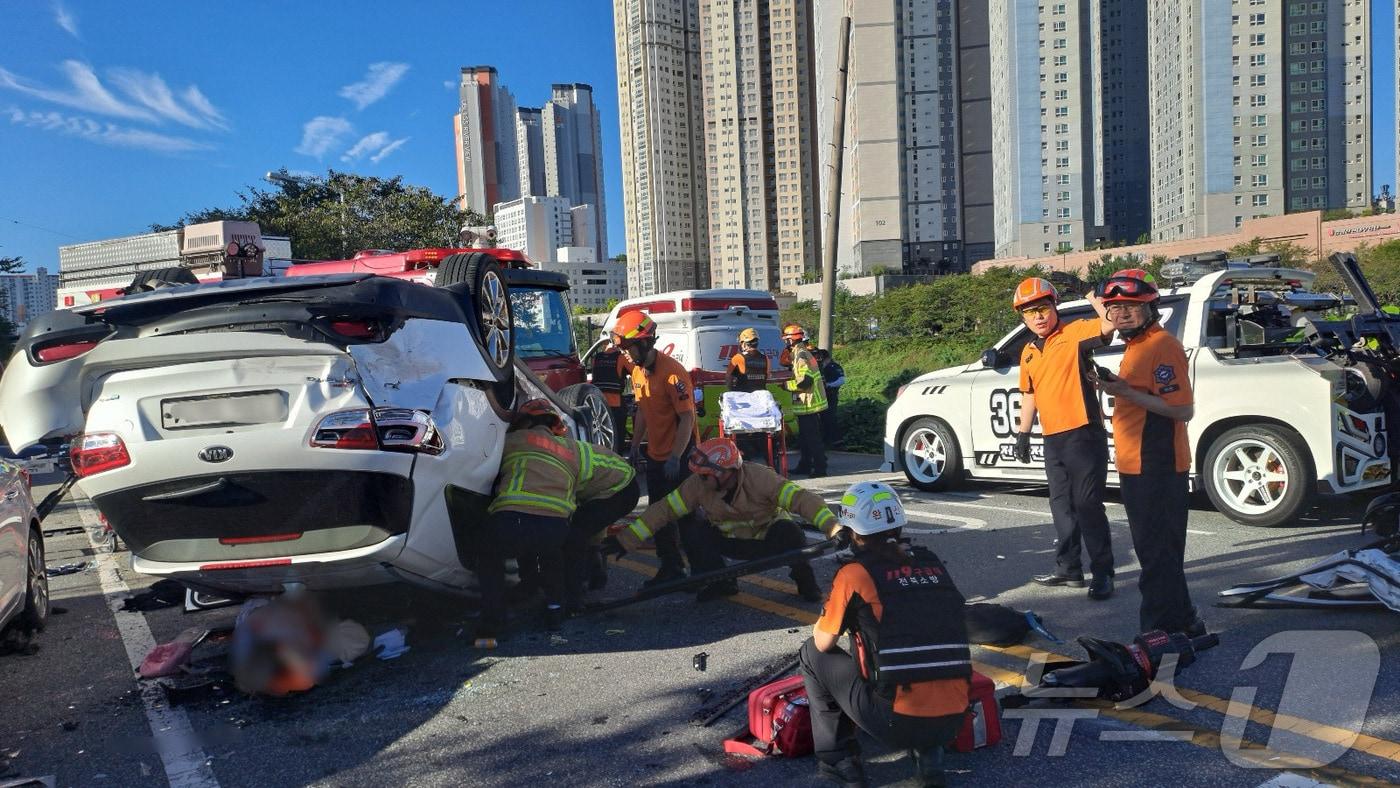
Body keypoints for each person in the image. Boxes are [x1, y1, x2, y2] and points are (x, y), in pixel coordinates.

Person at [799, 481, 971, 787]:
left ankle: (837, 756)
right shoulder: (932, 563)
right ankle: (930, 755)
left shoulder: (855, 574)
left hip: (897, 722)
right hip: (956, 718)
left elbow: (823, 641)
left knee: (811, 654)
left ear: (853, 531)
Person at [1092, 269, 1205, 637]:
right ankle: (1186, 622)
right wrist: (1120, 386)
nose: (1121, 314)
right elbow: (1143, 394)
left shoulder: (1161, 345)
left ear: (1151, 307)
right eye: (1114, 308)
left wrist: (1124, 393)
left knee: (1156, 556)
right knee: (1161, 552)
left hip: (1157, 463)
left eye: (1131, 306)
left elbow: (1181, 410)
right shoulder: (1136, 346)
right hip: (1136, 462)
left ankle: (1156, 633)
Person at [610, 437, 837, 602]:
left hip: (768, 540)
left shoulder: (760, 478)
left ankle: (806, 582)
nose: (699, 479)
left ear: (724, 472)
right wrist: (626, 539)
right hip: (730, 542)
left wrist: (832, 528)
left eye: (704, 475)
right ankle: (722, 583)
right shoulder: (698, 486)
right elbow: (664, 510)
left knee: (792, 533)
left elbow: (801, 499)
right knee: (693, 528)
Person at [1013, 276, 1117, 600]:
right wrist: (1023, 434)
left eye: (1043, 308)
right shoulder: (1028, 351)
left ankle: (1103, 573)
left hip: (1084, 433)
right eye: (1031, 313)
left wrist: (1088, 291)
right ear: (1023, 318)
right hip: (1052, 438)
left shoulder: (1074, 334)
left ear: (1054, 307)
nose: (1039, 316)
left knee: (1087, 504)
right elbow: (1029, 394)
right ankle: (1069, 569)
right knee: (1061, 506)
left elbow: (1109, 324)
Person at [475, 400, 582, 636]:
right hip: (556, 525)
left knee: (488, 555)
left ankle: (494, 620)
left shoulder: (513, 440)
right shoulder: (568, 451)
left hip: (514, 521)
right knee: (550, 554)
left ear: (527, 421)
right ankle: (555, 609)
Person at [614, 310, 701, 585]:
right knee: (658, 514)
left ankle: (705, 572)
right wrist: (636, 446)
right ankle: (671, 567)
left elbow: (687, 417)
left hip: (680, 455)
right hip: (656, 455)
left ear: (645, 342)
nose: (625, 355)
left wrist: (676, 457)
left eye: (627, 348)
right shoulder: (638, 373)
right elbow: (642, 410)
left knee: (687, 517)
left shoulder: (673, 374)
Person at [567, 436, 642, 599]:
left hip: (621, 489)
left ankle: (573, 592)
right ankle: (595, 573)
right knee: (585, 523)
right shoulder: (563, 448)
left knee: (574, 534)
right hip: (619, 485)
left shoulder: (556, 460)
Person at [783, 324, 829, 477]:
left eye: (786, 340)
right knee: (804, 439)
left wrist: (787, 385)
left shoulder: (801, 355)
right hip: (807, 404)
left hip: (809, 404)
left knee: (812, 439)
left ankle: (820, 469)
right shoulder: (800, 353)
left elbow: (805, 382)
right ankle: (805, 465)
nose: (785, 343)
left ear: (791, 340)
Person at [726, 327, 772, 464]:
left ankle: (745, 461)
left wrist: (731, 390)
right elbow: (767, 377)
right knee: (763, 435)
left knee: (741, 435)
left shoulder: (738, 358)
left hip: (744, 405)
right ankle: (769, 461)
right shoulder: (765, 358)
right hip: (760, 404)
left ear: (744, 343)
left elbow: (728, 377)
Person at [589, 336, 631, 452]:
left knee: (602, 439)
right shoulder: (621, 358)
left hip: (598, 406)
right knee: (618, 438)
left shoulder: (596, 358)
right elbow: (635, 371)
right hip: (616, 404)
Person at [815, 348, 846, 449]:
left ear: (825, 358)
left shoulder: (833, 366)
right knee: (824, 419)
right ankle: (827, 441)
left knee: (830, 418)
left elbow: (841, 380)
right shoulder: (821, 367)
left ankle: (837, 442)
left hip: (831, 396)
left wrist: (829, 385)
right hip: (822, 398)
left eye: (820, 358)